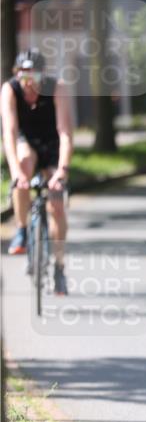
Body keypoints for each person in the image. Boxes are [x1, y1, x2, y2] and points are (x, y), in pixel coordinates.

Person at [1, 49, 73, 295]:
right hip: (27, 143)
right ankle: (21, 230)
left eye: (34, 74)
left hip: (52, 146)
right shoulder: (9, 90)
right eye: (23, 74)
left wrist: (61, 171)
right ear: (16, 74)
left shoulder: (57, 88)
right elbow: (9, 134)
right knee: (22, 165)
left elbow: (65, 133)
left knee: (57, 205)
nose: (29, 80)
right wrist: (16, 173)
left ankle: (60, 268)